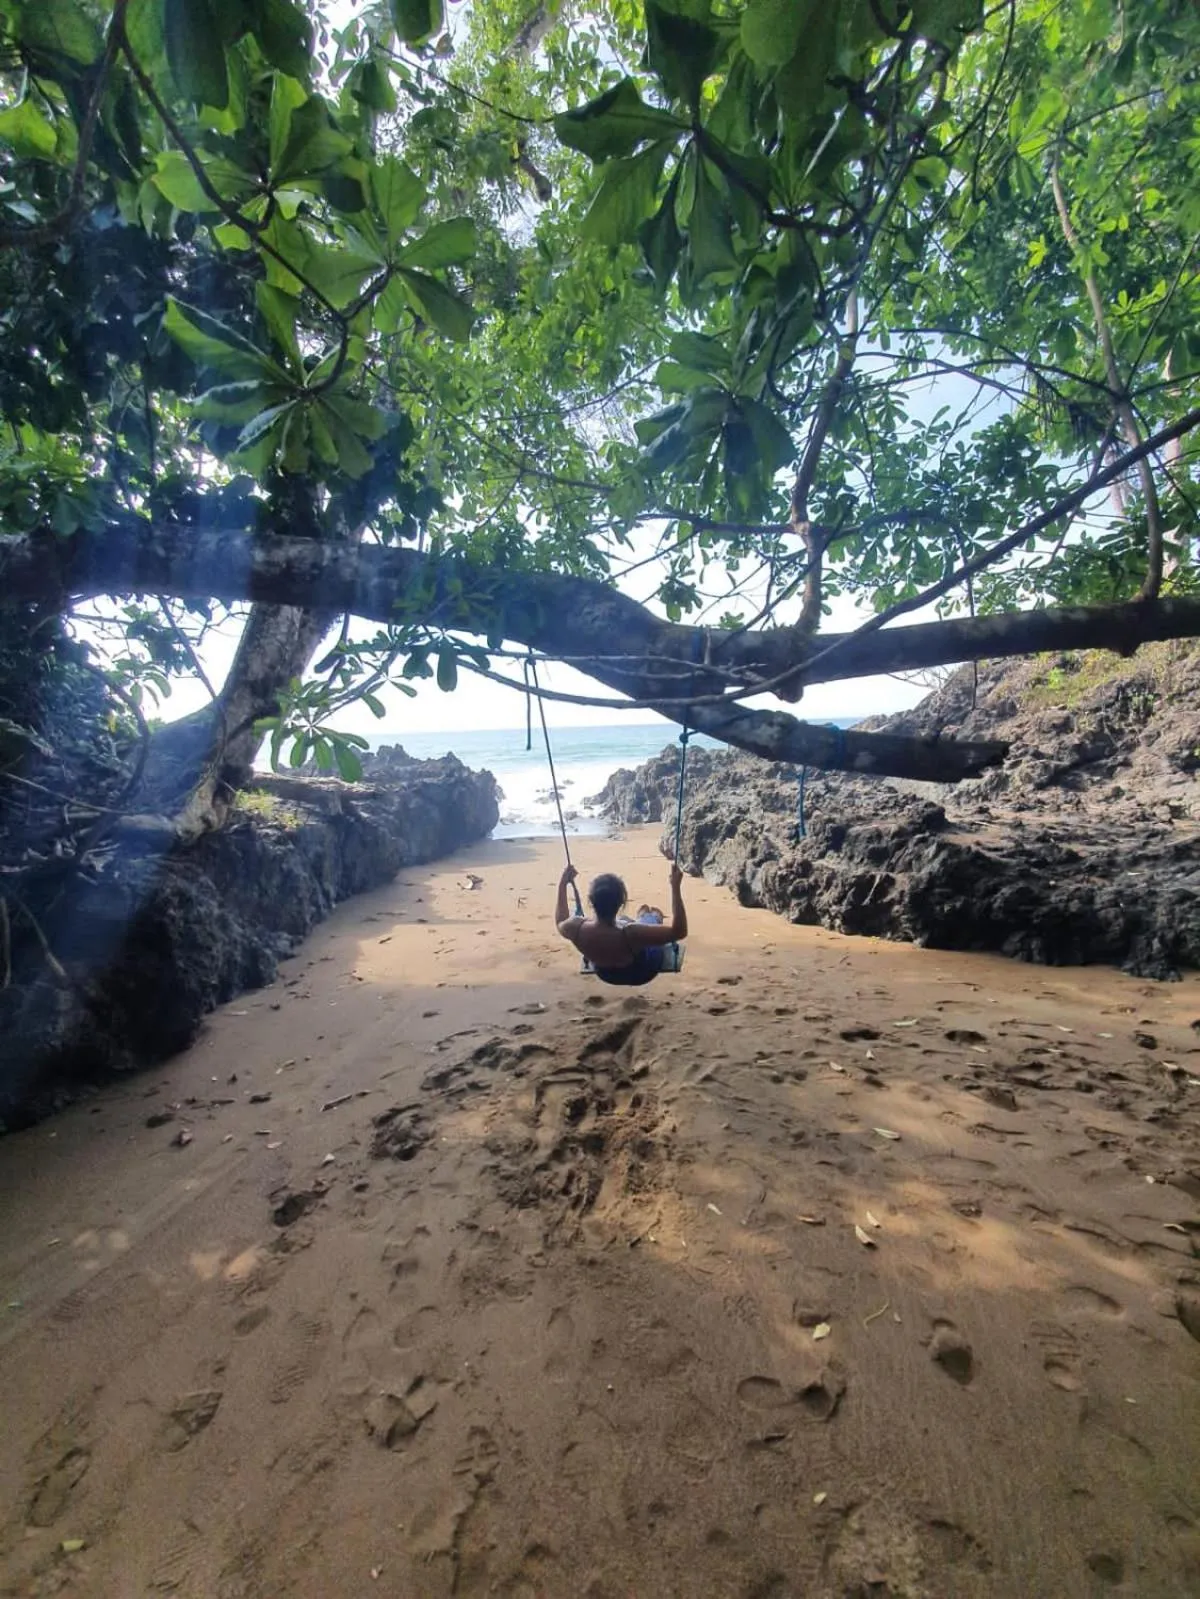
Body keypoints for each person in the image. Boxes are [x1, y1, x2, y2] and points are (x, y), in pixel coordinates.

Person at [555, 862, 688, 986]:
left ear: (590, 901)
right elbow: (679, 931)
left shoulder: (576, 927)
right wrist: (675, 888)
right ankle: (650, 916)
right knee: (646, 924)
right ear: (621, 903)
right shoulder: (632, 933)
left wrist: (563, 883)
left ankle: (644, 917)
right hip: (641, 973)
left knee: (628, 923)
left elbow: (560, 921)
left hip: (605, 974)